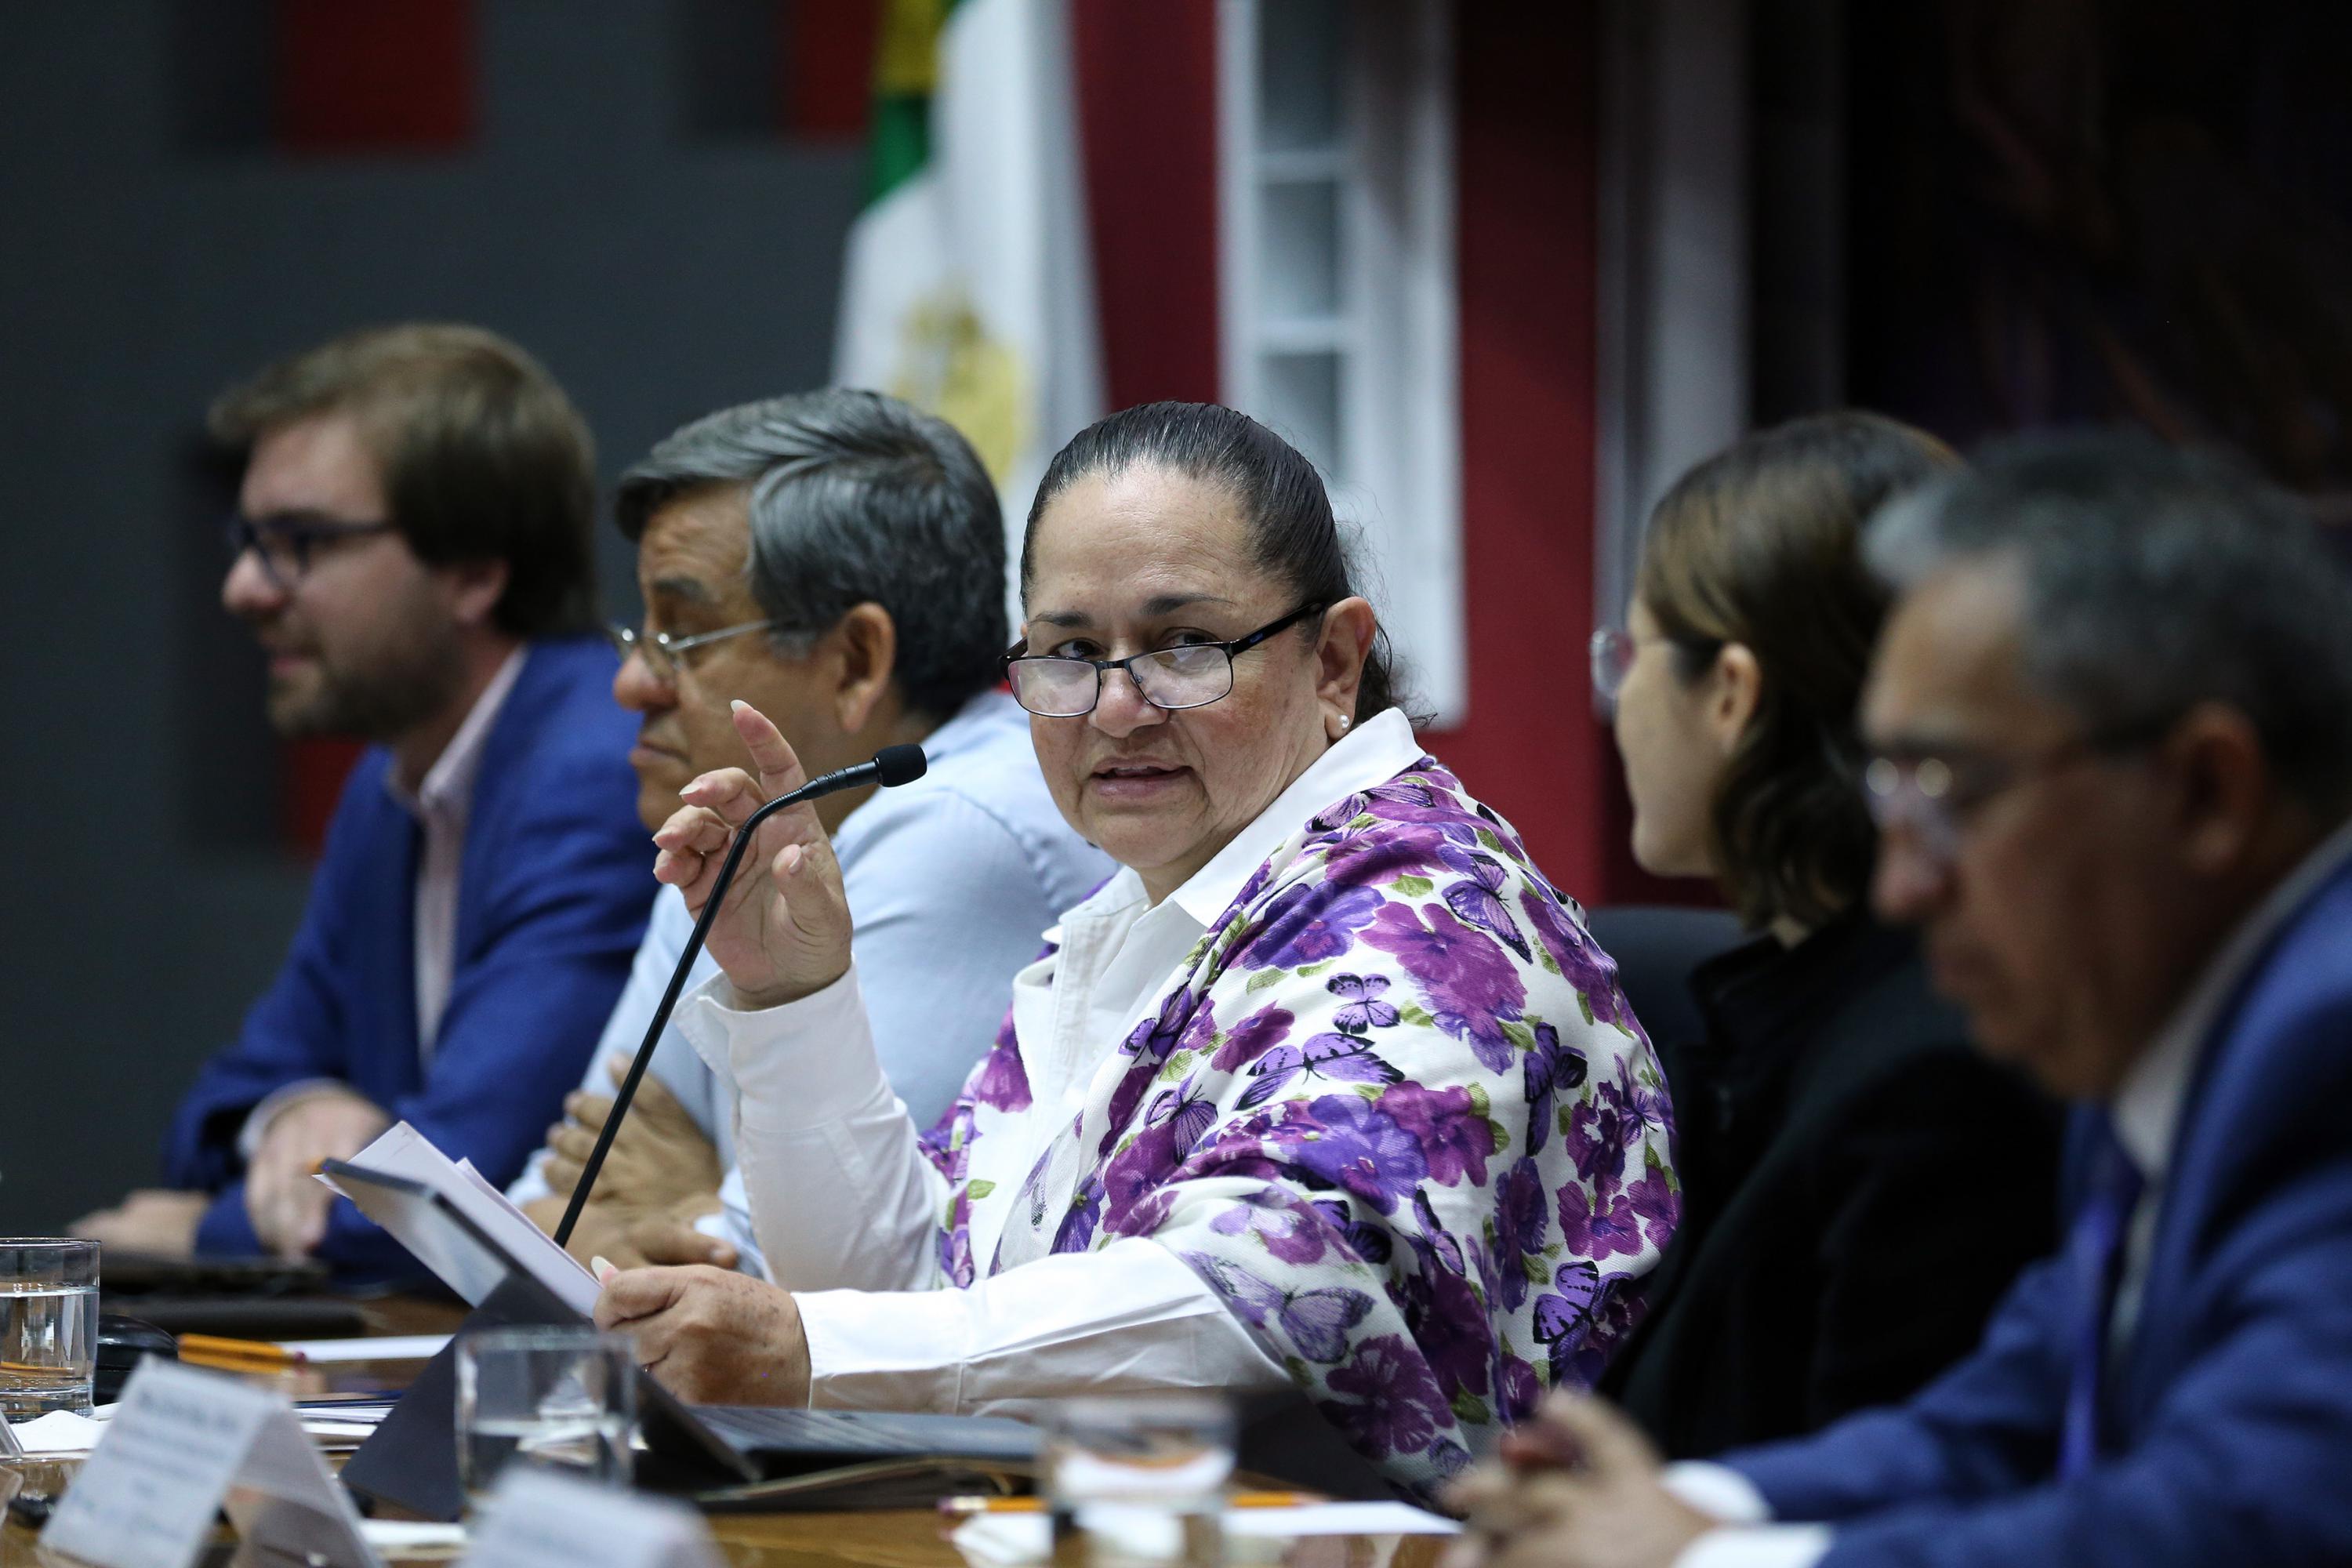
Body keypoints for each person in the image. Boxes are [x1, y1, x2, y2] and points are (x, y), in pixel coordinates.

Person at [589, 402, 1675, 1497]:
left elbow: (1261, 1290)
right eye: (1067, 653)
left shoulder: (1436, 918)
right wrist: (795, 1000)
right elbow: (916, 1295)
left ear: (1335, 663)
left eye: (1183, 646)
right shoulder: (1141, 913)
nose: (1114, 709)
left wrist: (815, 1350)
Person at [1450, 432, 2352, 1567]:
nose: (1903, 882)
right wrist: (1699, 1511)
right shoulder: (2181, 1050)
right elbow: (2004, 1417)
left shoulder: (2325, 1051)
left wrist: (1698, 1562)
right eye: (1892, 791)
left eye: (1954, 792)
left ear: (2207, 794)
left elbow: (2243, 1521)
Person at [71, 325, 650, 1278]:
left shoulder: (598, 771)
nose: (242, 588)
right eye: (247, 541)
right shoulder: (389, 787)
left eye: (300, 542)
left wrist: (202, 1234)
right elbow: (217, 1106)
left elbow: (470, 1200)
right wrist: (296, 1108)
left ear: (473, 570)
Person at [506, 390, 1112, 1272]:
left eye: (684, 635)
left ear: (855, 662)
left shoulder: (963, 826)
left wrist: (689, 1203)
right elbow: (543, 1206)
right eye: (644, 630)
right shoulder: (727, 820)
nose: (631, 682)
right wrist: (691, 1208)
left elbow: (803, 1293)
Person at [1589, 412, 2060, 1458]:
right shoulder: (1803, 1014)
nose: (1619, 701)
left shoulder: (1926, 1077)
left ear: (1731, 693)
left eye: (1631, 652)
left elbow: (1896, 1504)